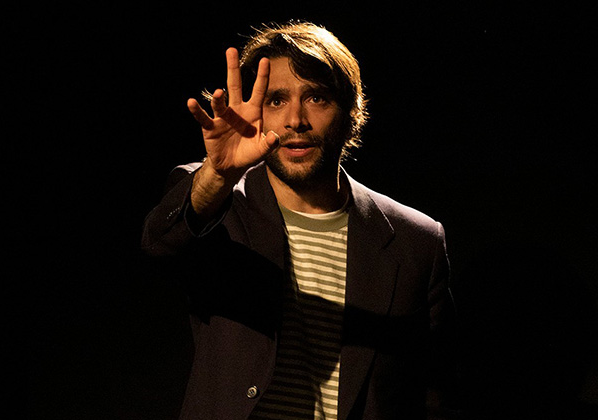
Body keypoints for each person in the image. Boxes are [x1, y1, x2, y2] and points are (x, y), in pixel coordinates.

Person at [142, 21, 457, 420]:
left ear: (351, 113)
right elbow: (159, 244)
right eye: (276, 100)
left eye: (316, 98)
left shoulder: (416, 241)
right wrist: (218, 176)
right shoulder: (219, 199)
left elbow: (436, 395)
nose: (295, 120)